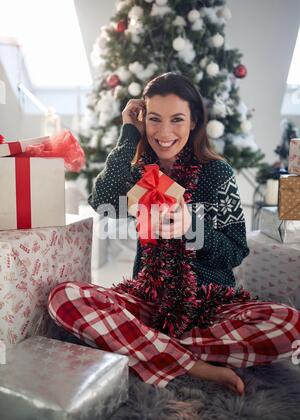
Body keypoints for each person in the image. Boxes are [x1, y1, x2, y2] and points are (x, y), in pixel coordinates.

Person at [48, 72, 300, 396]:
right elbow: (103, 201)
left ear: (194, 121)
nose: (164, 132)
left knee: (291, 326)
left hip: (211, 305)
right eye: (154, 119)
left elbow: (236, 250)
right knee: (64, 298)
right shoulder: (141, 172)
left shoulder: (217, 174)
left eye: (177, 119)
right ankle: (195, 365)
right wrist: (128, 133)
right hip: (149, 301)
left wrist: (193, 228)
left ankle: (151, 347)